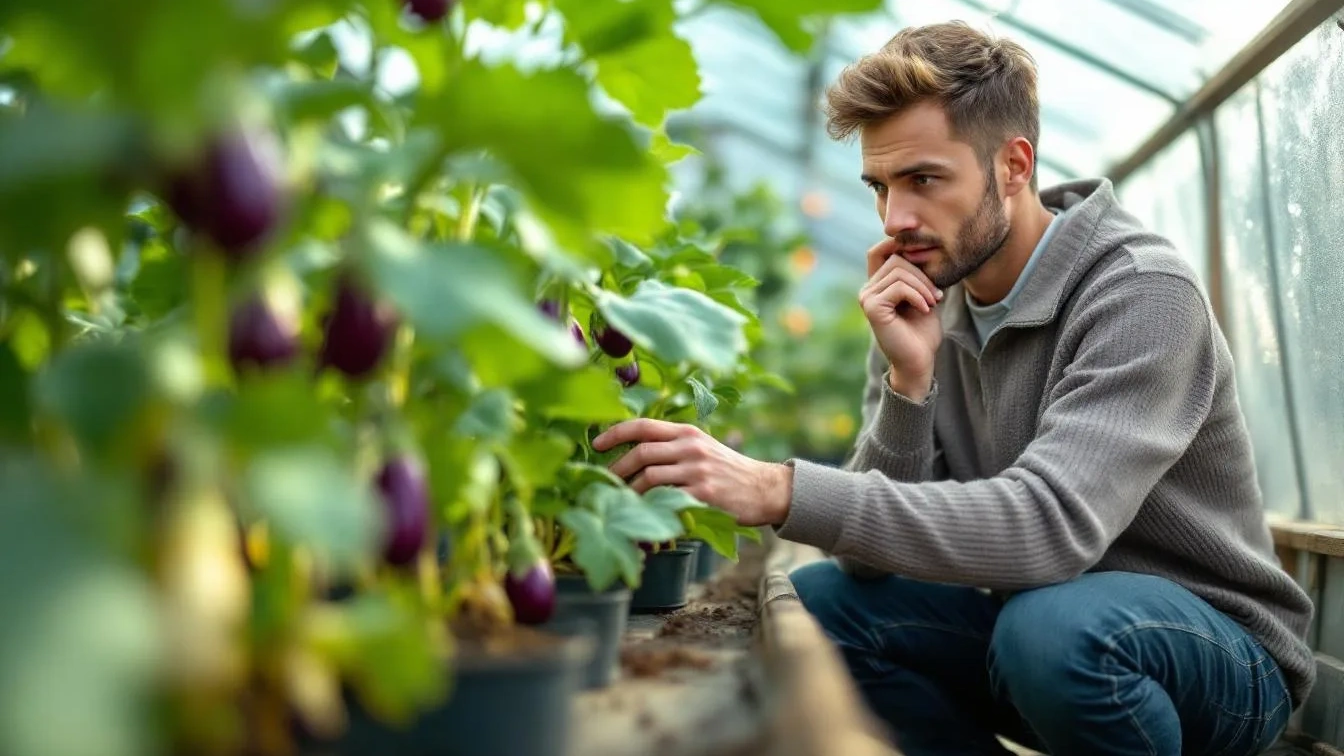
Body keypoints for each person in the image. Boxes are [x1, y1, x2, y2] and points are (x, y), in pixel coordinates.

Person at [590, 20, 1315, 756]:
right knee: (823, 608)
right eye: (879, 186)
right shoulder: (928, 295)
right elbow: (867, 563)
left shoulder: (1139, 293)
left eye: (924, 180)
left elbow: (1048, 527)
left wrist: (780, 489)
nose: (896, 219)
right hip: (1044, 628)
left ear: (1013, 164)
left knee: (1054, 633)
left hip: (1219, 658)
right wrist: (910, 382)